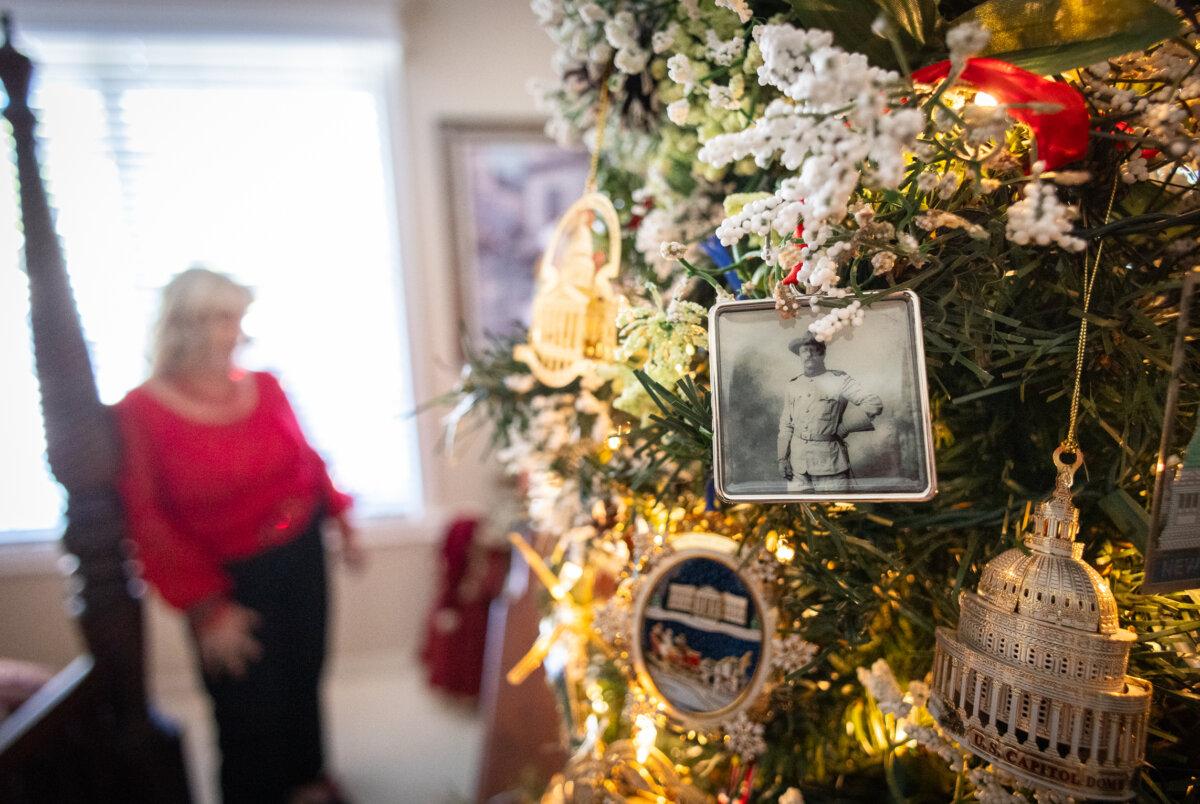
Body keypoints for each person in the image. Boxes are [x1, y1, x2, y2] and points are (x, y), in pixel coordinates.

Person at [113, 267, 364, 804]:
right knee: (247, 702)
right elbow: (147, 517)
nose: (235, 333)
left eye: (237, 319)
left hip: (300, 552)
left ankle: (309, 781)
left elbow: (308, 459)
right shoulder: (140, 410)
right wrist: (206, 608)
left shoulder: (265, 385)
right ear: (186, 325)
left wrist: (341, 518)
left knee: (304, 676)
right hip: (227, 579)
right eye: (223, 319)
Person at [777, 331, 883, 493]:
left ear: (823, 353)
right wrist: (782, 459)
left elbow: (873, 403)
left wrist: (845, 427)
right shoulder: (793, 385)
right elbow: (786, 425)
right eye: (804, 350)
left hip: (830, 465)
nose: (809, 354)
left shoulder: (839, 380)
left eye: (814, 349)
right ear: (799, 355)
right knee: (801, 512)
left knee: (835, 510)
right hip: (797, 467)